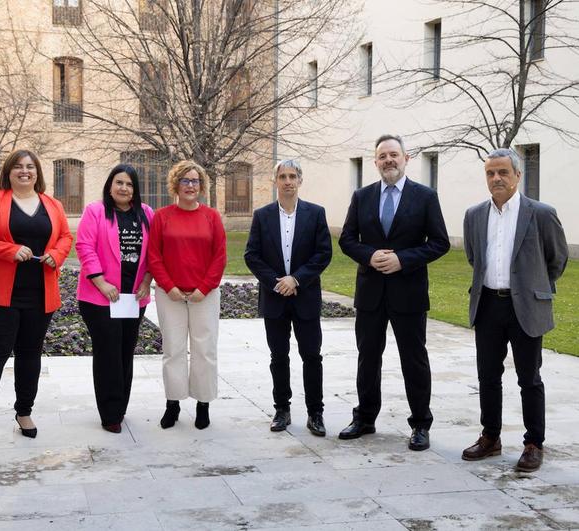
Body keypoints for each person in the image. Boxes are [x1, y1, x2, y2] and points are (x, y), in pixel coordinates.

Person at [338, 134, 450, 451]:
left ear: (406, 158)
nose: (388, 160)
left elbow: (439, 242)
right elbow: (347, 239)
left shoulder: (425, 197)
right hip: (371, 292)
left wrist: (403, 259)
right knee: (368, 359)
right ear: (375, 162)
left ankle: (420, 424)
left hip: (409, 293)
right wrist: (369, 255)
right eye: (382, 156)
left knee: (414, 360)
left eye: (393, 155)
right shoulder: (362, 196)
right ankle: (365, 418)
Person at [461, 148, 568, 472]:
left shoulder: (541, 213)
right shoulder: (474, 215)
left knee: (529, 378)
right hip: (488, 304)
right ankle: (490, 437)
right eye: (491, 173)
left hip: (526, 307)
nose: (496, 178)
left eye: (503, 172)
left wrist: (534, 287)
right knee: (488, 376)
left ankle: (534, 443)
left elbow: (557, 260)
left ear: (517, 175)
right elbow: (472, 257)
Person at [0, 149, 72, 441]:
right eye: (18, 167)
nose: (24, 171)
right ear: (8, 172)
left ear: (37, 172)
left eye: (30, 167)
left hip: (39, 293)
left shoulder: (52, 204)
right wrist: (10, 250)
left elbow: (65, 237)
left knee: (29, 355)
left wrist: (56, 255)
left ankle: (24, 411)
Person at [244, 160, 332, 436]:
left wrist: (297, 279)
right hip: (274, 298)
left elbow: (323, 254)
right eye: (282, 176)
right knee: (278, 356)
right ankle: (282, 408)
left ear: (300, 180)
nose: (287, 181)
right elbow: (251, 255)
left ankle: (315, 413)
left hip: (305, 297)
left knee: (311, 356)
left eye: (292, 176)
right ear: (275, 181)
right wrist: (276, 282)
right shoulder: (262, 215)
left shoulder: (316, 214)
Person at [148, 160, 226, 430]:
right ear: (176, 185)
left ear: (201, 186)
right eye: (185, 180)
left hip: (204, 295)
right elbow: (154, 256)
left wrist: (204, 288)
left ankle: (203, 405)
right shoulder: (162, 216)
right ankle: (173, 404)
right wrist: (168, 286)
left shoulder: (212, 217)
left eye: (195, 181)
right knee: (173, 349)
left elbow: (220, 256)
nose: (190, 185)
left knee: (205, 350)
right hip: (170, 295)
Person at [76, 164, 154, 433]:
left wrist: (146, 282)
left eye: (129, 184)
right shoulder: (95, 211)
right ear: (110, 185)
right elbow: (84, 246)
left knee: (125, 352)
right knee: (108, 353)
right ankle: (110, 415)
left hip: (133, 298)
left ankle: (120, 407)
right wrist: (100, 281)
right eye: (119, 183)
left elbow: (155, 251)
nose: (124, 188)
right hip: (100, 298)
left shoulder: (146, 214)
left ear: (135, 190)